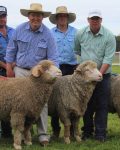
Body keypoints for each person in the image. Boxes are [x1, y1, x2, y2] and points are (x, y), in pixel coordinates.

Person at [5, 3, 59, 146]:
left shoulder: (48, 34)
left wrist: (54, 72)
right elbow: (11, 49)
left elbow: (53, 57)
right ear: (29, 16)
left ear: (42, 17)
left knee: (41, 102)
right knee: (19, 104)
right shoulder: (19, 30)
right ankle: (21, 134)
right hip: (21, 70)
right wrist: (9, 67)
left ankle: (42, 135)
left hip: (40, 74)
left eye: (38, 15)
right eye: (33, 15)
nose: (36, 18)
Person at [74, 9, 116, 141]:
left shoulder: (109, 36)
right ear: (88, 20)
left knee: (102, 104)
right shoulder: (80, 33)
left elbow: (108, 59)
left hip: (103, 75)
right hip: (86, 77)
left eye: (97, 18)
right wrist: (87, 73)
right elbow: (77, 51)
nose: (95, 21)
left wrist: (98, 75)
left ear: (101, 20)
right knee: (86, 104)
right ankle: (87, 131)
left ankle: (100, 133)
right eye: (92, 18)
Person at [49, 6, 78, 137]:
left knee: (72, 99)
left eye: (64, 16)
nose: (62, 18)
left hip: (72, 68)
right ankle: (56, 130)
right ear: (56, 19)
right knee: (55, 99)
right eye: (59, 16)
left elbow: (79, 50)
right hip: (57, 68)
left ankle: (72, 130)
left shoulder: (76, 33)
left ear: (67, 18)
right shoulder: (50, 33)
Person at [0, 5, 14, 138]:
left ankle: (8, 132)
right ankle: (4, 132)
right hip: (2, 71)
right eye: (0, 17)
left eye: (3, 16)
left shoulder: (13, 31)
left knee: (13, 101)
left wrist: (13, 65)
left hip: (14, 69)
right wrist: (6, 67)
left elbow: (20, 49)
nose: (2, 19)